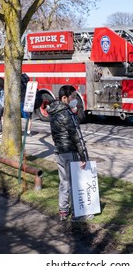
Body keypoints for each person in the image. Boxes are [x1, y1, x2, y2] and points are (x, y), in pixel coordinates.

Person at [47, 85, 93, 222]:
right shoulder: (67, 114)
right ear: (64, 98)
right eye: (73, 97)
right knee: (74, 182)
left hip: (59, 151)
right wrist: (84, 156)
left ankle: (63, 210)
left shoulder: (54, 112)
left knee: (64, 182)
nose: (75, 99)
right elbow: (76, 135)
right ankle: (77, 214)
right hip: (70, 151)